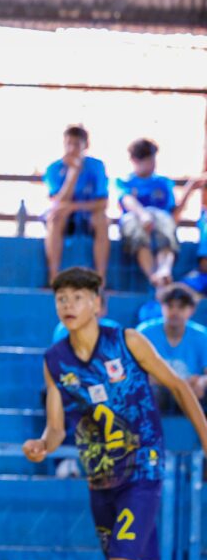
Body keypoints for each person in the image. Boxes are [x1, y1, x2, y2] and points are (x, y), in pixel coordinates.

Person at [25, 267, 207, 560]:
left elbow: (179, 386)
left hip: (142, 466)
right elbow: (58, 427)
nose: (68, 305)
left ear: (96, 304)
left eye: (77, 298)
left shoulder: (128, 341)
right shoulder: (55, 361)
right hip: (100, 477)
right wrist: (43, 444)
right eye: (61, 299)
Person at [43, 125, 110, 286]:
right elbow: (58, 203)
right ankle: (54, 277)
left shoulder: (97, 166)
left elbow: (103, 203)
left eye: (77, 144)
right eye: (68, 144)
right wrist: (73, 173)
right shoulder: (54, 169)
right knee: (55, 218)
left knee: (102, 220)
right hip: (64, 218)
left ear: (86, 145)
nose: (72, 149)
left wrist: (74, 207)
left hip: (87, 216)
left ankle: (100, 279)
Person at [117, 139, 180, 287]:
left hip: (161, 220)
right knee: (138, 234)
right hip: (135, 219)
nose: (152, 164)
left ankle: (164, 271)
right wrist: (143, 215)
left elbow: (173, 214)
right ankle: (154, 277)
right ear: (134, 160)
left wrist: (189, 190)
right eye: (147, 160)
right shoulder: (124, 181)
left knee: (165, 230)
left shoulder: (163, 182)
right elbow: (126, 199)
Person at [137, 284, 207, 412]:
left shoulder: (202, 335)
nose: (175, 312)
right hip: (159, 389)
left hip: (192, 392)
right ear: (161, 307)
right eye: (170, 306)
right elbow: (135, 371)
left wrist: (202, 381)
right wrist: (177, 383)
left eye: (181, 307)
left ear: (192, 310)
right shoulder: (145, 332)